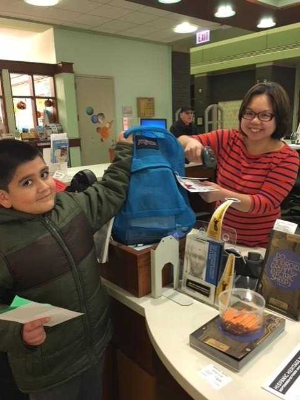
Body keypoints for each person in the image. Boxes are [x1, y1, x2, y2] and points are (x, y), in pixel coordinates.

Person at [0, 133, 132, 399]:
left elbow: (110, 191)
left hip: (93, 346)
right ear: (4, 197)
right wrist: (18, 331)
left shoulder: (71, 207)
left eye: (44, 174)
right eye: (28, 182)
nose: (44, 186)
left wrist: (125, 150)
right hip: (49, 369)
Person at [178, 82, 300, 248]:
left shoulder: (287, 158)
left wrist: (221, 194)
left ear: (279, 118)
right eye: (249, 113)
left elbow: (263, 204)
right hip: (220, 236)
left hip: (258, 246)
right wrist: (190, 142)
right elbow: (181, 140)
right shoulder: (227, 139)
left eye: (265, 115)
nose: (254, 121)